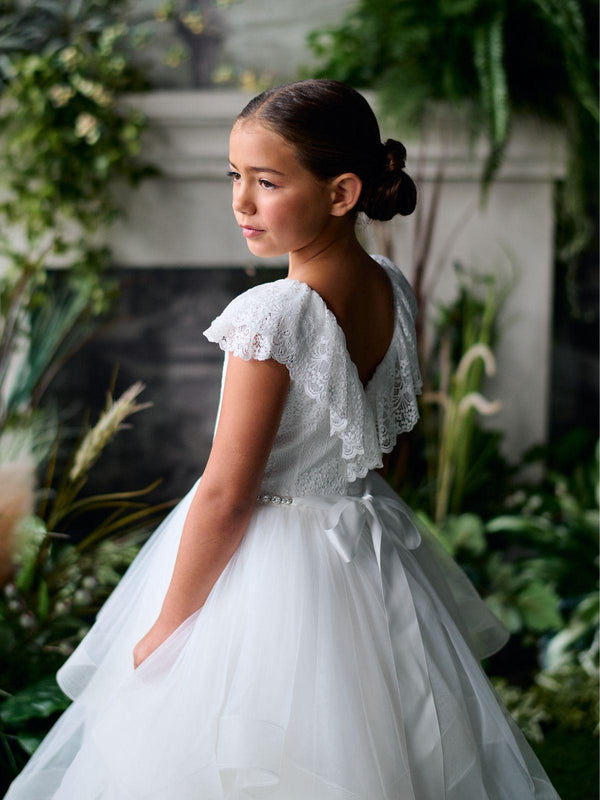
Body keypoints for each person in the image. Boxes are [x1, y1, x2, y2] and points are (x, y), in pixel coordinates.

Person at [5, 79, 561, 800]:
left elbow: (228, 492)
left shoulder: (274, 312)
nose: (241, 202)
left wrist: (170, 626)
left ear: (340, 193)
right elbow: (386, 450)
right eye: (234, 177)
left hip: (270, 567)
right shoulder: (390, 285)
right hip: (368, 552)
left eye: (267, 182)